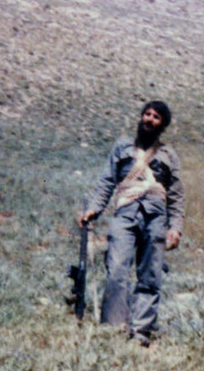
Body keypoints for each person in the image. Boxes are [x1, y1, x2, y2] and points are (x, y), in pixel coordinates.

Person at [78, 101, 185, 347]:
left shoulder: (169, 156)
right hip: (125, 213)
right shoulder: (122, 147)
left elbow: (176, 196)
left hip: (156, 217)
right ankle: (114, 329)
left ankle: (140, 332)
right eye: (147, 114)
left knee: (150, 275)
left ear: (163, 125)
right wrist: (94, 208)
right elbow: (107, 181)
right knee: (116, 269)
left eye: (156, 117)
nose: (149, 119)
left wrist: (175, 227)